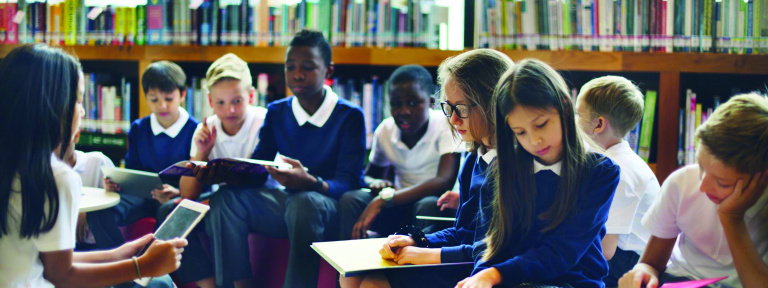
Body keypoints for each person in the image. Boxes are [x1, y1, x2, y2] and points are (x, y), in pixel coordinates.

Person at [0, 43, 186, 288]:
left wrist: (119, 254)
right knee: (159, 283)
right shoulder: (55, 177)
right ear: (54, 108)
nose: (84, 111)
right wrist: (143, 266)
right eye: (78, 100)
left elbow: (45, 261)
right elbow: (61, 275)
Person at [341, 49, 514, 288]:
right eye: (449, 107)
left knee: (373, 282)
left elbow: (491, 249)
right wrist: (415, 239)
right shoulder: (474, 160)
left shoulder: (511, 166)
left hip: (484, 269)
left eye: (461, 108)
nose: (453, 120)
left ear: (491, 102)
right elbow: (461, 231)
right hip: (467, 259)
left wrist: (429, 253)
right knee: (350, 274)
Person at [456, 59, 620, 288]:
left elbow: (562, 251)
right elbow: (486, 245)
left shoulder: (601, 172)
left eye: (541, 124)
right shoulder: (500, 169)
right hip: (511, 280)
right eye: (520, 132)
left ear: (564, 107)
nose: (534, 140)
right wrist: (481, 277)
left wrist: (494, 275)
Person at [619, 93, 768, 288]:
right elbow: (650, 263)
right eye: (701, 166)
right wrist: (641, 273)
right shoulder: (681, 183)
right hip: (681, 279)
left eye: (722, 182)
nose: (703, 186)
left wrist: (732, 218)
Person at [88, 61, 199, 250]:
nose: (162, 106)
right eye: (154, 100)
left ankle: (154, 268)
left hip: (175, 198)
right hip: (142, 196)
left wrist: (179, 192)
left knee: (169, 210)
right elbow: (133, 171)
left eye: (169, 98)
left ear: (182, 95)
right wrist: (117, 184)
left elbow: (201, 180)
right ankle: (120, 264)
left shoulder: (195, 130)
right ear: (146, 98)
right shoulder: (139, 128)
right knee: (99, 212)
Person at [341, 64, 460, 239]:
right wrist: (376, 182)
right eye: (396, 104)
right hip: (399, 203)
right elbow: (368, 175)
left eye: (412, 103)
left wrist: (386, 199)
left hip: (435, 203)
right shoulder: (386, 130)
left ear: (430, 102)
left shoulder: (445, 124)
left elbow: (444, 181)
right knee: (351, 199)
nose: (404, 111)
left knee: (428, 205)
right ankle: (348, 260)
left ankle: (421, 261)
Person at [574, 76, 661, 286]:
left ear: (599, 124)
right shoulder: (607, 160)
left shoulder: (619, 171)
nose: (573, 121)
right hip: (618, 254)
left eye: (578, 113)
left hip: (629, 262)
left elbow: (606, 251)